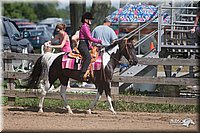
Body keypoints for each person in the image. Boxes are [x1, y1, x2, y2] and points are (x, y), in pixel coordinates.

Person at [79, 12, 102, 81]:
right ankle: (82, 73)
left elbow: (87, 39)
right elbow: (89, 38)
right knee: (88, 57)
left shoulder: (86, 26)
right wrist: (99, 41)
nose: (91, 21)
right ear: (86, 20)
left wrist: (91, 47)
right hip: (83, 45)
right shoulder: (84, 27)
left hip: (85, 44)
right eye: (90, 19)